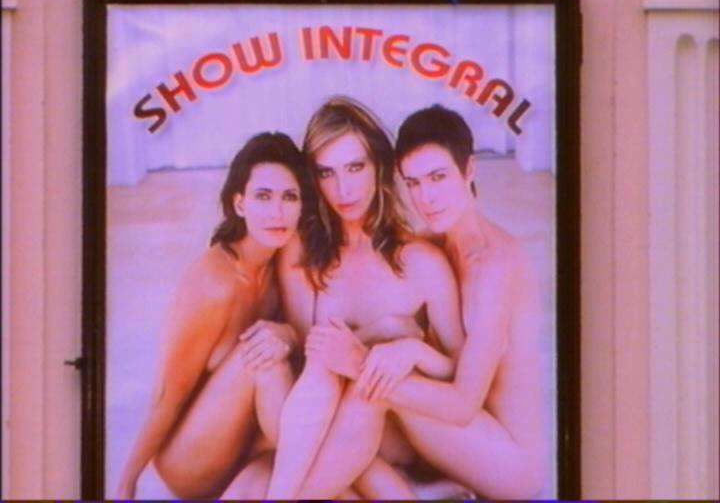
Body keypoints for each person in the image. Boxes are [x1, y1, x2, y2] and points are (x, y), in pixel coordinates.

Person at [297, 104, 549, 499]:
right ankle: (414, 489)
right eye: (413, 183)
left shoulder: (495, 267)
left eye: (438, 177)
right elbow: (445, 364)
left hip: (509, 462)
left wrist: (362, 361)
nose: (426, 197)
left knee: (372, 387)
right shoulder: (434, 243)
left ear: (469, 170)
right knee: (363, 392)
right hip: (453, 437)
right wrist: (400, 339)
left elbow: (464, 404)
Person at [252, 96, 466, 500]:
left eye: (355, 167)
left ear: (379, 165)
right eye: (327, 173)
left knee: (362, 382)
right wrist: (379, 331)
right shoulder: (302, 252)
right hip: (322, 425)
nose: (343, 189)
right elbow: (308, 359)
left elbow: (459, 372)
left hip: (394, 429)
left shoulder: (422, 261)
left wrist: (411, 350)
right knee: (318, 358)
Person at [116, 132, 314, 499]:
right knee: (262, 357)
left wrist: (287, 333)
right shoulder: (214, 282)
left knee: (278, 355)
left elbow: (305, 338)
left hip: (243, 444)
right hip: (190, 460)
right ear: (239, 204)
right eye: (263, 196)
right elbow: (168, 393)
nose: (277, 212)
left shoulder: (281, 266)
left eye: (289, 197)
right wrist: (127, 481)